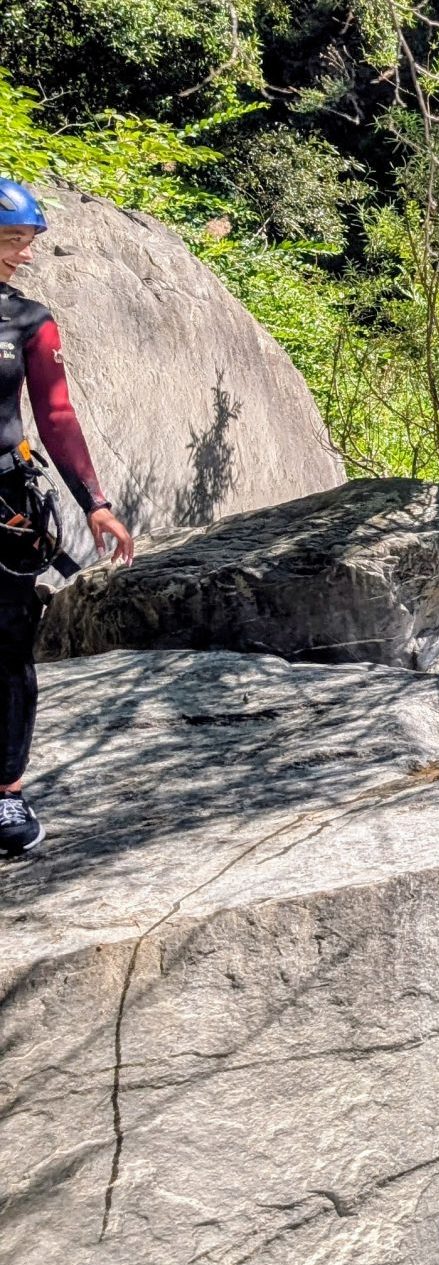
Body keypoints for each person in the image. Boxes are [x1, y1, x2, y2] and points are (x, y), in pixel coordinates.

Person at [0, 178, 133, 856]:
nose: (21, 255)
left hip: (4, 508)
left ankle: (6, 794)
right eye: (11, 241)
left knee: (8, 646)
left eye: (26, 243)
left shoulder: (29, 319)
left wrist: (97, 505)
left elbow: (55, 414)